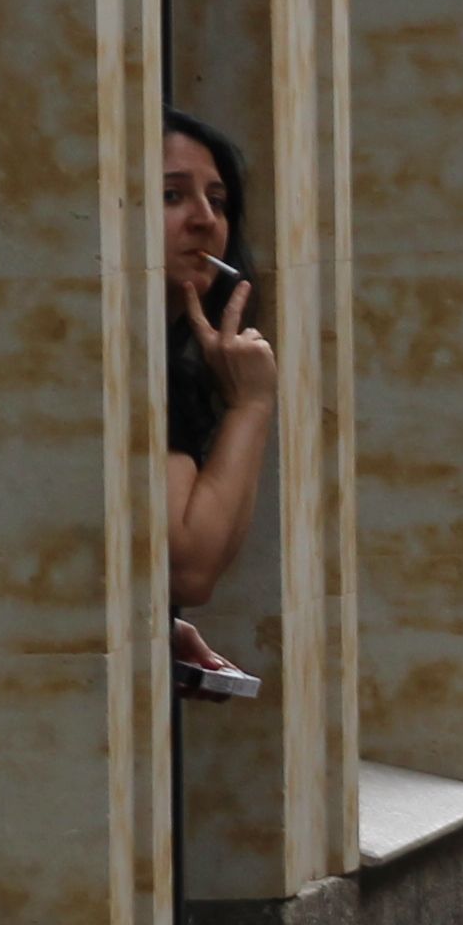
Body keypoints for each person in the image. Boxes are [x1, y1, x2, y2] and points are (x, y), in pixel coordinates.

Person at [163, 112, 278, 701]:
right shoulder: (125, 365)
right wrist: (252, 406)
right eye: (171, 196)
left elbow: (211, 549)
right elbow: (190, 567)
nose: (205, 221)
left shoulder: (172, 364)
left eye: (217, 199)